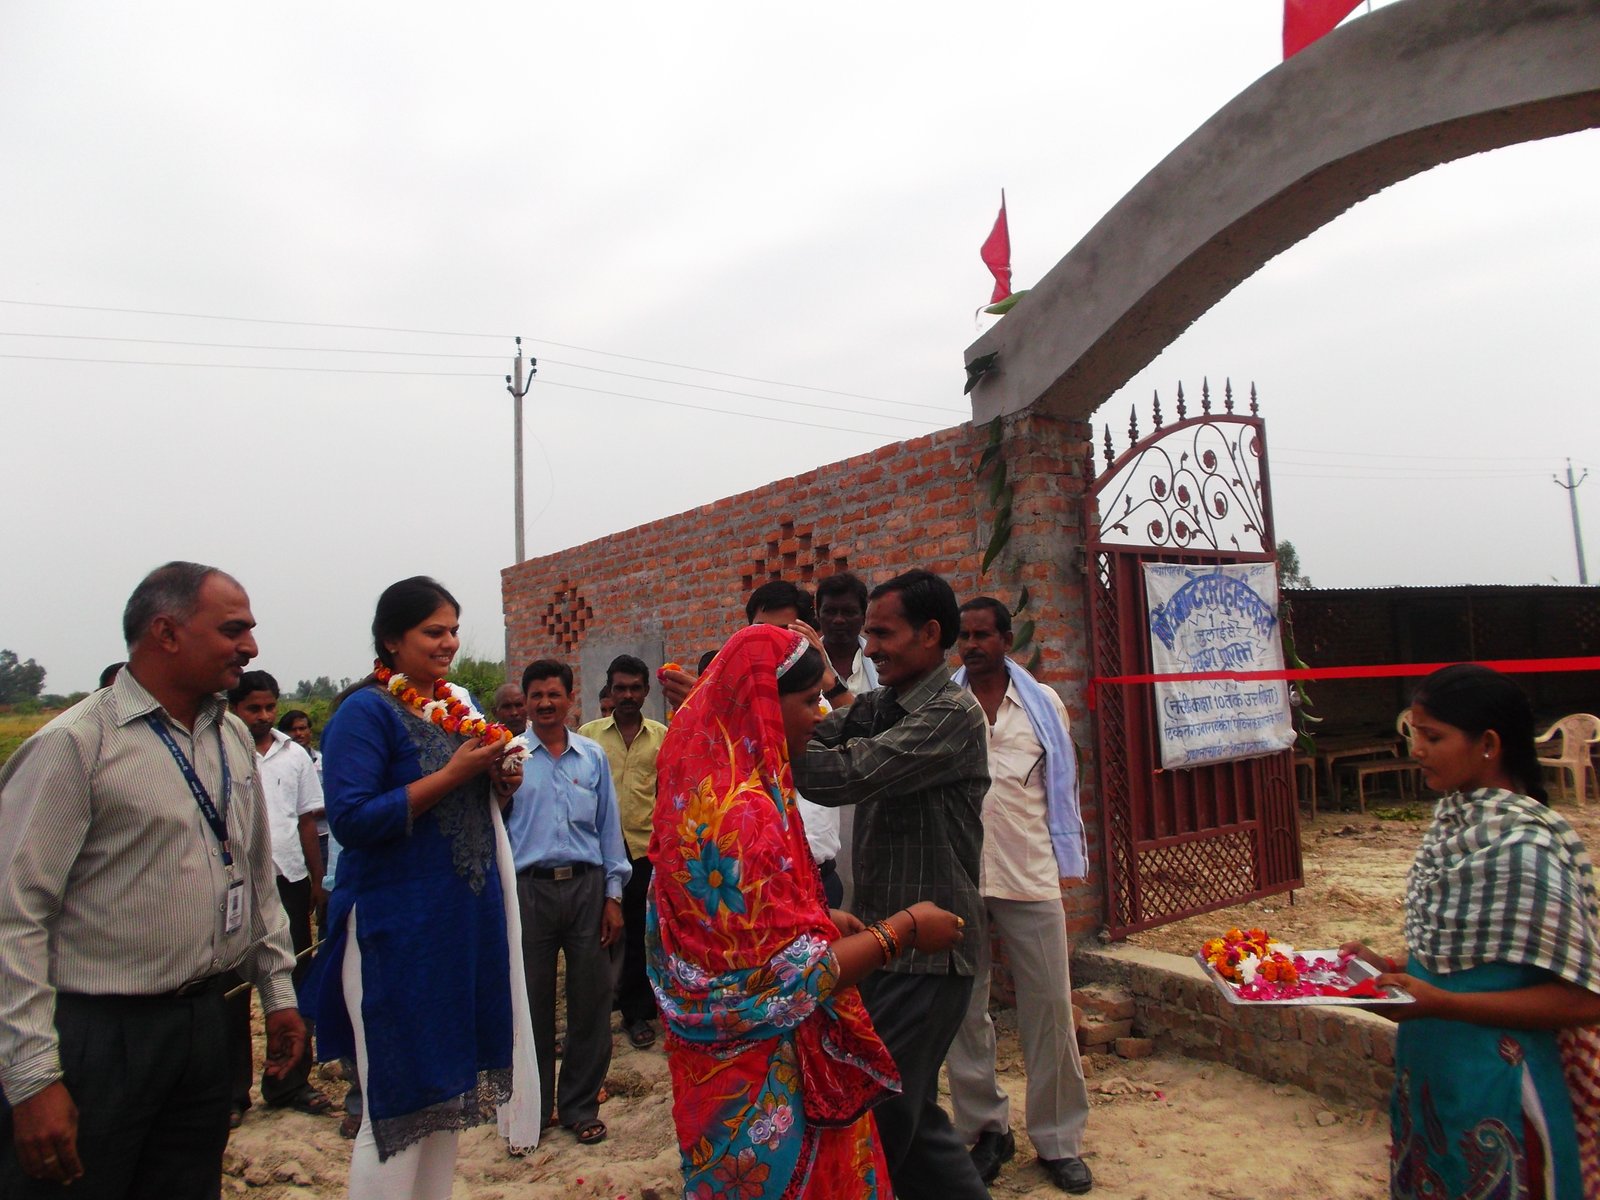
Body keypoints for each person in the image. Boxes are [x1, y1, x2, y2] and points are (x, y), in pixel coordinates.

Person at [0, 561, 303, 1197]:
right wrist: (31, 1077)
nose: (250, 647)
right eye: (233, 630)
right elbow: (14, 914)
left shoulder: (231, 737)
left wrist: (277, 993)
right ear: (166, 633)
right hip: (97, 1034)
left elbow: (254, 877)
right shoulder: (76, 745)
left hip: (201, 1024)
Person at [648, 622, 966, 1198]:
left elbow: (734, 934)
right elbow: (793, 978)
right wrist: (903, 930)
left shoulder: (703, 791)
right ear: (764, 705)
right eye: (808, 700)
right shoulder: (746, 815)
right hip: (767, 1079)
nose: (820, 715)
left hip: (710, 1072)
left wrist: (816, 918)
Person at [300, 576, 541, 1199]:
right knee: (398, 1106)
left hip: (461, 922)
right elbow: (352, 820)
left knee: (445, 1097)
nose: (449, 643)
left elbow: (467, 815)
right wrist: (455, 773)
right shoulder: (365, 712)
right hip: (399, 928)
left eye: (453, 630)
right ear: (391, 639)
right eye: (434, 631)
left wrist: (498, 786)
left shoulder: (456, 707)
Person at [1341, 664, 1600, 1199]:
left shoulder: (1527, 850)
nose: (1417, 750)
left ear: (1488, 744)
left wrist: (1444, 1003)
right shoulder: (1451, 827)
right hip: (1432, 1076)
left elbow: (1583, 1000)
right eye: (1415, 734)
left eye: (1433, 737)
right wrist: (1393, 966)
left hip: (1500, 1087)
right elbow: (1469, 958)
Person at [792, 569, 993, 1200]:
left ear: (930, 634)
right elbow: (824, 730)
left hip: (930, 953)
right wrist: (783, 713)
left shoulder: (950, 714)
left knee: (880, 1112)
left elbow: (843, 773)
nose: (870, 647)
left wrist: (750, 735)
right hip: (888, 943)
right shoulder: (886, 703)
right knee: (907, 1111)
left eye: (883, 633)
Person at [947, 597, 1093, 1193]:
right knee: (964, 1010)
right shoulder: (944, 704)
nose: (972, 645)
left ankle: (1058, 1141)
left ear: (1007, 640)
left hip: (1028, 872)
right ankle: (986, 1130)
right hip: (959, 875)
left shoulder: (1043, 704)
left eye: (983, 634)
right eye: (964, 636)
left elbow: (1061, 783)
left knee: (1050, 1007)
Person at [505, 659, 630, 1146]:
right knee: (530, 1004)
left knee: (591, 1002)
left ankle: (579, 1105)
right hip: (528, 890)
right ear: (525, 701)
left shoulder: (591, 757)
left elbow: (608, 829)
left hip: (586, 889)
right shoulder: (510, 757)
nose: (545, 703)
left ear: (569, 699)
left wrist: (613, 897)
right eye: (536, 695)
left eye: (553, 694)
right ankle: (533, 1112)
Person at [226, 671, 333, 1125]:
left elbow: (307, 820)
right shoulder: (220, 750)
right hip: (235, 883)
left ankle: (288, 1081)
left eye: (270, 707)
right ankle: (232, 1092)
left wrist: (316, 879)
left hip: (288, 877)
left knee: (291, 979)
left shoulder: (295, 756)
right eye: (254, 708)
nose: (264, 716)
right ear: (234, 708)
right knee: (232, 989)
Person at [579, 655, 667, 1050]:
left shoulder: (662, 736)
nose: (628, 695)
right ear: (610, 691)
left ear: (646, 691)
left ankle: (636, 1012)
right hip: (597, 853)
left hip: (646, 852)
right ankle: (594, 1012)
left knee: (638, 933)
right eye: (620, 688)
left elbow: (668, 794)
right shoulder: (588, 737)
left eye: (635, 688)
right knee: (593, 935)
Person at [278, 708, 329, 875]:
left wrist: (308, 812)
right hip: (291, 838)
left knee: (325, 881)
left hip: (323, 836)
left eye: (302, 728)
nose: (298, 734)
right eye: (293, 730)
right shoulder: (277, 764)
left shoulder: (324, 761)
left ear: (310, 731)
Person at [816, 571, 879, 699]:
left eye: (849, 612)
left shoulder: (881, 662)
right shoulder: (802, 665)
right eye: (830, 611)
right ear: (818, 615)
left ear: (863, 617)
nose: (838, 620)